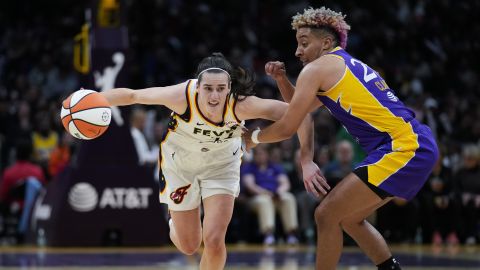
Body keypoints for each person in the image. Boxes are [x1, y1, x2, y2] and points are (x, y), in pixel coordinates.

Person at [244, 7, 438, 270]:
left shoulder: (318, 69)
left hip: (403, 146)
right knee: (348, 219)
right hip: (408, 143)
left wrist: (252, 138)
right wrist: (281, 79)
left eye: (304, 43)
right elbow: (299, 105)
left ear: (325, 42)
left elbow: (288, 125)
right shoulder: (338, 63)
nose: (297, 51)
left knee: (326, 214)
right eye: (297, 44)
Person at [99, 53, 321, 270]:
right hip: (180, 166)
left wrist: (306, 160)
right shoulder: (181, 96)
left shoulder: (241, 104)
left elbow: (300, 115)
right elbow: (132, 96)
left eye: (221, 89)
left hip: (221, 165)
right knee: (189, 246)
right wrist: (91, 98)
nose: (214, 96)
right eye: (208, 88)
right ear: (197, 86)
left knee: (214, 241)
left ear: (229, 87)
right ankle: (174, 221)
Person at [241, 144, 299, 245]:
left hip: (275, 196)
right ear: (254, 156)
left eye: (262, 154)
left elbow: (285, 183)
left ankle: (291, 234)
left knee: (289, 198)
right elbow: (250, 186)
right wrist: (266, 193)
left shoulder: (275, 167)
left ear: (267, 155)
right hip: (256, 198)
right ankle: (269, 235)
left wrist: (279, 192)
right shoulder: (249, 167)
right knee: (265, 200)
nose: (260, 156)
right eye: (257, 154)